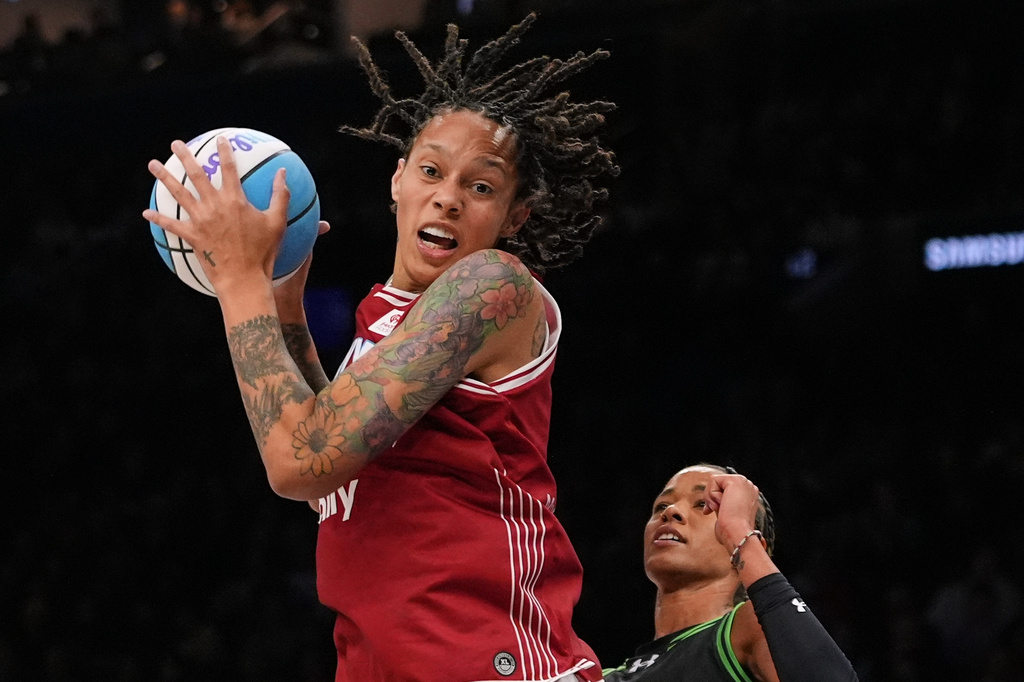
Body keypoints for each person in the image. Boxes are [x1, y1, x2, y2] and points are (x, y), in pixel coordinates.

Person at [142, 12, 619, 682]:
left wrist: (242, 281)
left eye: (479, 187)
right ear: (397, 181)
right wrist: (281, 298)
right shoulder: (386, 320)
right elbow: (326, 474)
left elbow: (299, 462)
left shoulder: (492, 288)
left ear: (515, 218)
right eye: (431, 171)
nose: (447, 198)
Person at [602, 464, 859, 682]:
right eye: (661, 506)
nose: (671, 512)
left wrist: (737, 529)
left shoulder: (743, 630)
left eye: (703, 504)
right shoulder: (601, 675)